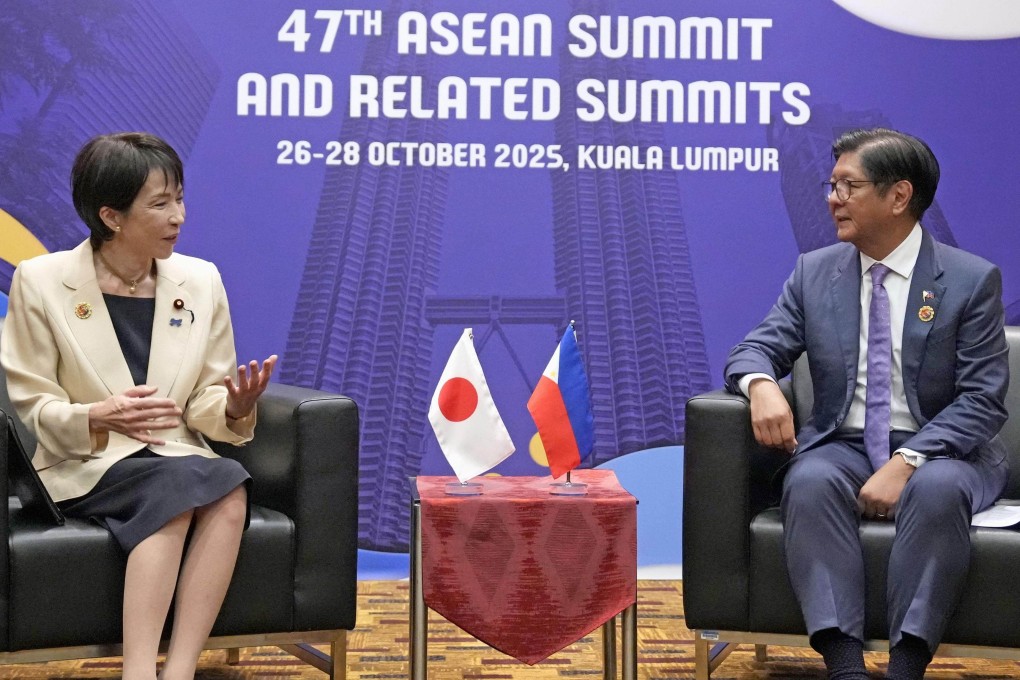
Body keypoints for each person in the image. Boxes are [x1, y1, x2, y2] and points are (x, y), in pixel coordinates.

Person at [725, 128, 1009, 680]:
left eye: (846, 186)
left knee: (936, 488)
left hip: (950, 452)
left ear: (898, 197)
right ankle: (845, 664)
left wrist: (908, 462)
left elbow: (982, 400)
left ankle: (907, 665)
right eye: (831, 186)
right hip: (845, 443)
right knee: (807, 481)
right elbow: (756, 347)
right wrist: (760, 384)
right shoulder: (815, 272)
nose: (831, 199)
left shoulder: (970, 280)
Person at [0, 132, 278, 680]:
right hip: (83, 460)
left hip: (171, 456)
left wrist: (234, 407)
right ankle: (138, 672)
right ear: (111, 216)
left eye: (179, 198)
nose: (178, 215)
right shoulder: (42, 281)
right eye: (160, 203)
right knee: (181, 488)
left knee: (229, 487)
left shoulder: (200, 281)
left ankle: (175, 670)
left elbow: (201, 400)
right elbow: (30, 405)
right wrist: (95, 417)